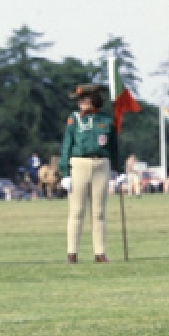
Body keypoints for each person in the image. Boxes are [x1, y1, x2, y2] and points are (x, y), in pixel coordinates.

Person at [59, 82, 118, 263]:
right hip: (79, 164)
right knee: (76, 211)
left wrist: (117, 169)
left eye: (85, 98)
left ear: (94, 99)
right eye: (80, 99)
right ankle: (72, 253)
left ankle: (99, 253)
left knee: (99, 212)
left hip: (101, 164)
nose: (82, 102)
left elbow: (113, 146)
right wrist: (65, 172)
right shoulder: (74, 119)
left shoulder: (107, 119)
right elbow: (67, 146)